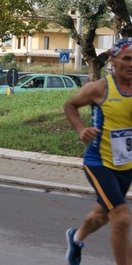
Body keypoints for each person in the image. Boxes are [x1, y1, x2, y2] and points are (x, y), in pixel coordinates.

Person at [63, 37, 132, 265]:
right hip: (99, 163)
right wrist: (81, 129)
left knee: (102, 216)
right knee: (121, 219)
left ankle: (77, 238)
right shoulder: (100, 88)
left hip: (126, 165)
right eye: (127, 58)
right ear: (113, 60)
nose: (131, 64)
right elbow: (70, 105)